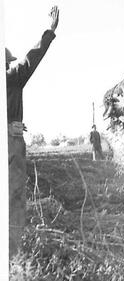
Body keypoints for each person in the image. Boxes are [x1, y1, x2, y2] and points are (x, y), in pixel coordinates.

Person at [6, 6, 59, 258]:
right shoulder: (12, 77)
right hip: (11, 143)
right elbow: (31, 58)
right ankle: (13, 252)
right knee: (15, 194)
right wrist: (50, 30)